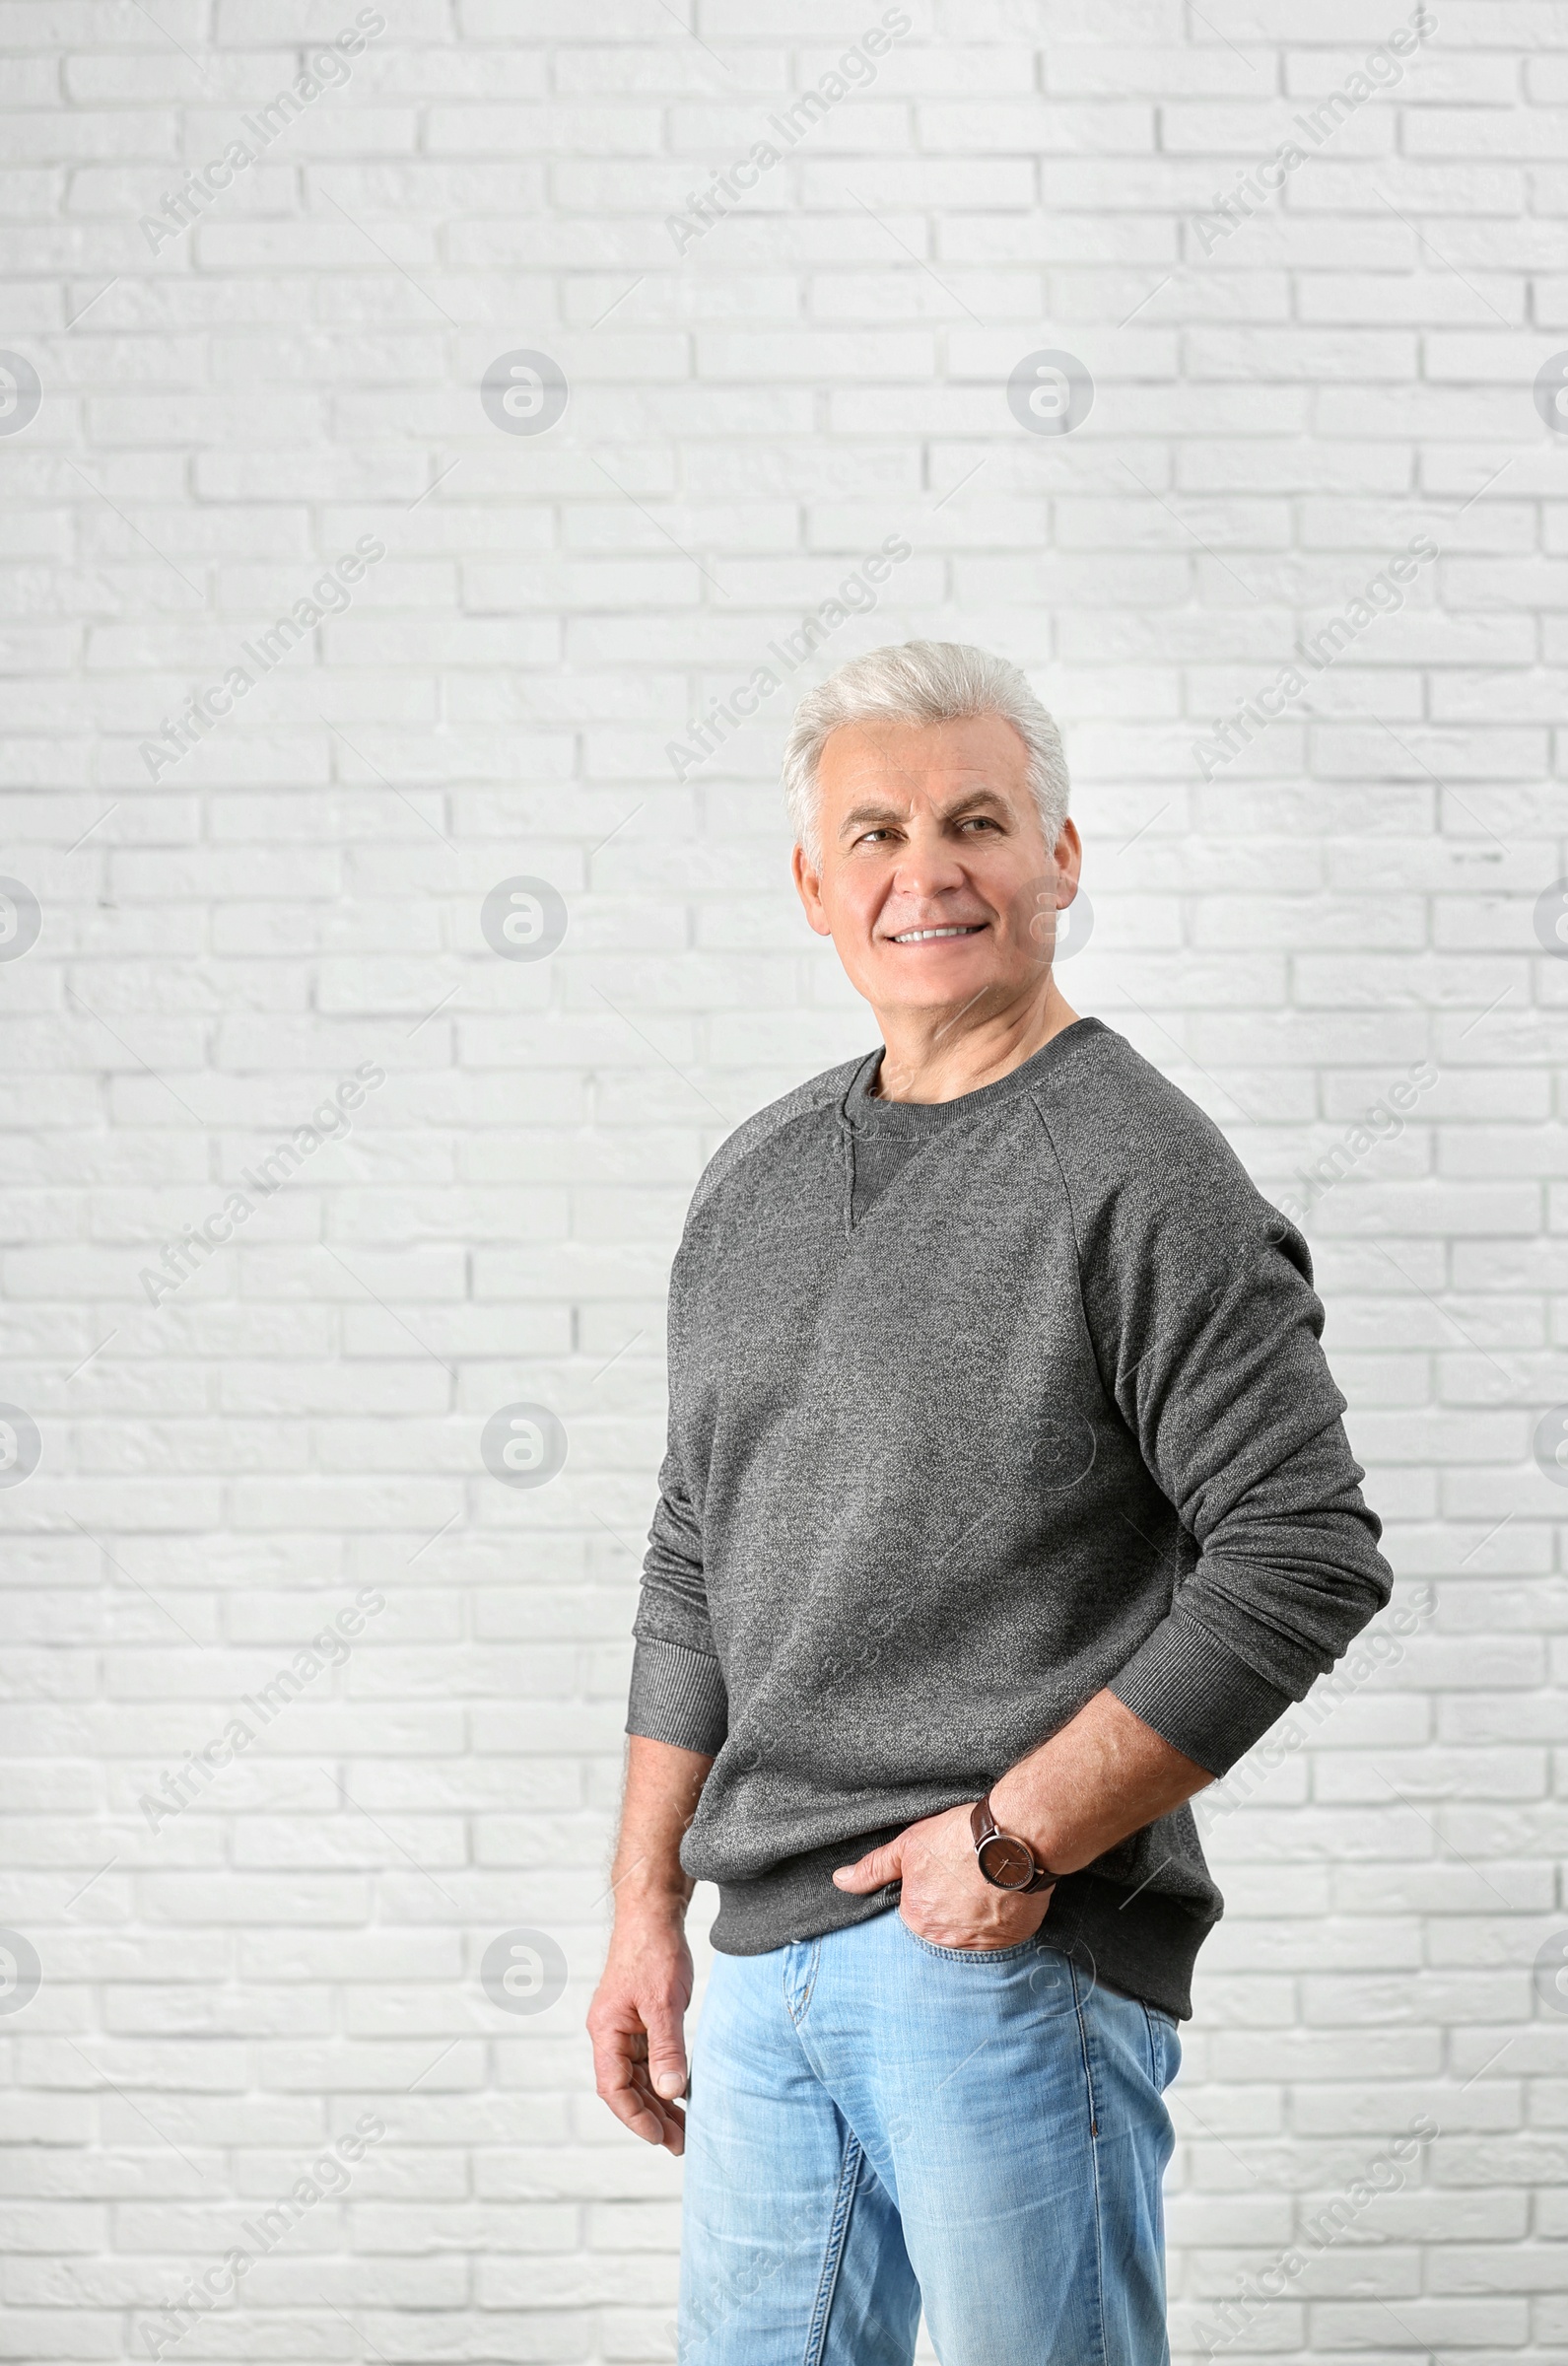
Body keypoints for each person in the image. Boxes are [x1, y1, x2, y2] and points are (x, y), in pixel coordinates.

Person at [587, 641, 1393, 2364]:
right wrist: (644, 1908)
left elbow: (1303, 1547)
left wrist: (1017, 1838)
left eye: (975, 821)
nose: (924, 869)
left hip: (1003, 1958)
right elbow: (691, 1558)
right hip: (764, 1969)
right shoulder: (755, 1178)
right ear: (814, 886)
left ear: (1061, 861)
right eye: (872, 834)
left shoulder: (1137, 1170)